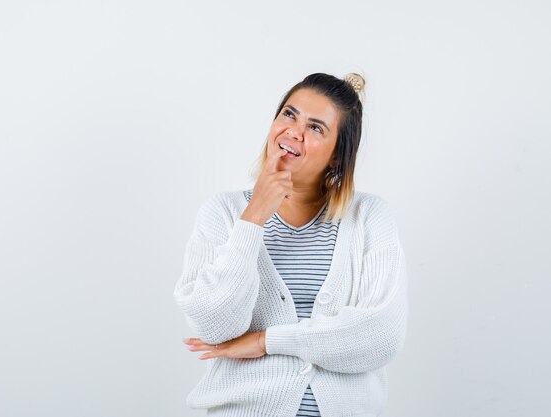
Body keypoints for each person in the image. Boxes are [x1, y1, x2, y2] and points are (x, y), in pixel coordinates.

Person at [173, 72, 409, 417]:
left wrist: (264, 342)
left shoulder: (369, 217)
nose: (294, 132)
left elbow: (381, 336)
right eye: (289, 114)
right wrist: (253, 218)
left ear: (337, 156)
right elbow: (215, 326)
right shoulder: (224, 212)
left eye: (316, 128)